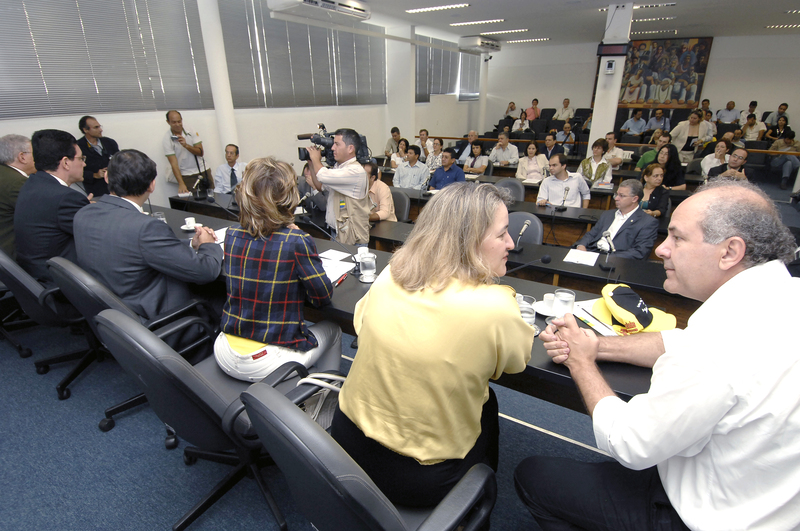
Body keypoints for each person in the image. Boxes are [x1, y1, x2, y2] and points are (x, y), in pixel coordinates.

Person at [517, 179, 800, 531]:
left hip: (706, 516)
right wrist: (597, 345)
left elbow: (630, 442)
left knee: (533, 475)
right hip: (768, 500)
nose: (662, 249)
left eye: (677, 239)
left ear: (730, 252)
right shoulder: (782, 294)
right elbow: (678, 341)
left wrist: (581, 362)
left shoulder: (721, 336)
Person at [331, 182, 534, 507]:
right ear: (468, 241)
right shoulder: (495, 306)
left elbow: (360, 323)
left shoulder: (391, 273)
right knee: (487, 403)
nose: (511, 243)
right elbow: (515, 363)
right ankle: (477, 497)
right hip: (417, 479)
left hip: (345, 445)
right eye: (501, 234)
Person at [214, 156, 341, 382]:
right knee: (333, 329)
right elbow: (322, 297)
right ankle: (322, 393)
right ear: (289, 197)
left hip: (224, 350)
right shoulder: (297, 241)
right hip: (265, 361)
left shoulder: (232, 235)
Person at [73, 149, 223, 320]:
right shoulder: (145, 227)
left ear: (107, 177)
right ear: (152, 185)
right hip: (161, 316)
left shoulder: (84, 213)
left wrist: (190, 244)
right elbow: (206, 272)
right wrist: (208, 245)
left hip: (115, 316)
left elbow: (141, 247)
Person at [14, 129, 90, 285]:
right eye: (81, 158)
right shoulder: (66, 198)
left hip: (35, 276)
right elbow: (100, 237)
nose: (84, 163)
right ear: (66, 162)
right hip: (63, 284)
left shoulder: (32, 184)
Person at [307, 128, 370, 246]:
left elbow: (322, 176)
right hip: (337, 233)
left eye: (337, 144)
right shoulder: (338, 168)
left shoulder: (355, 171)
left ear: (350, 148)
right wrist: (311, 164)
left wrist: (316, 158)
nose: (332, 148)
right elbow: (320, 186)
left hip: (352, 237)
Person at [574, 179, 658, 259]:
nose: (616, 198)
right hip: (592, 252)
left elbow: (640, 252)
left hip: (617, 259)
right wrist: (581, 245)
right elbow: (591, 234)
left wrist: (607, 258)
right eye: (617, 194)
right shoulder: (608, 214)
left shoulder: (647, 222)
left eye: (622, 196)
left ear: (634, 199)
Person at [0, 134, 35, 260]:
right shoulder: (17, 182)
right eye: (34, 153)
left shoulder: (4, 174)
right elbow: (40, 215)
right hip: (11, 255)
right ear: (22, 157)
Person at [163, 110, 212, 194]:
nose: (177, 124)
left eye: (179, 121)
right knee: (194, 200)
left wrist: (186, 145)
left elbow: (200, 152)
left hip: (203, 170)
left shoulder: (190, 130)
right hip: (186, 175)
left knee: (212, 197)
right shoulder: (167, 139)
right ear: (168, 122)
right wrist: (181, 183)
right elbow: (174, 164)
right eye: (174, 122)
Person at [77, 115, 119, 198]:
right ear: (85, 130)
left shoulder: (110, 142)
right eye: (96, 127)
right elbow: (74, 171)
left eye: (100, 126)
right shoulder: (78, 147)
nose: (100, 130)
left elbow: (120, 161)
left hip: (116, 187)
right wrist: (94, 175)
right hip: (96, 191)